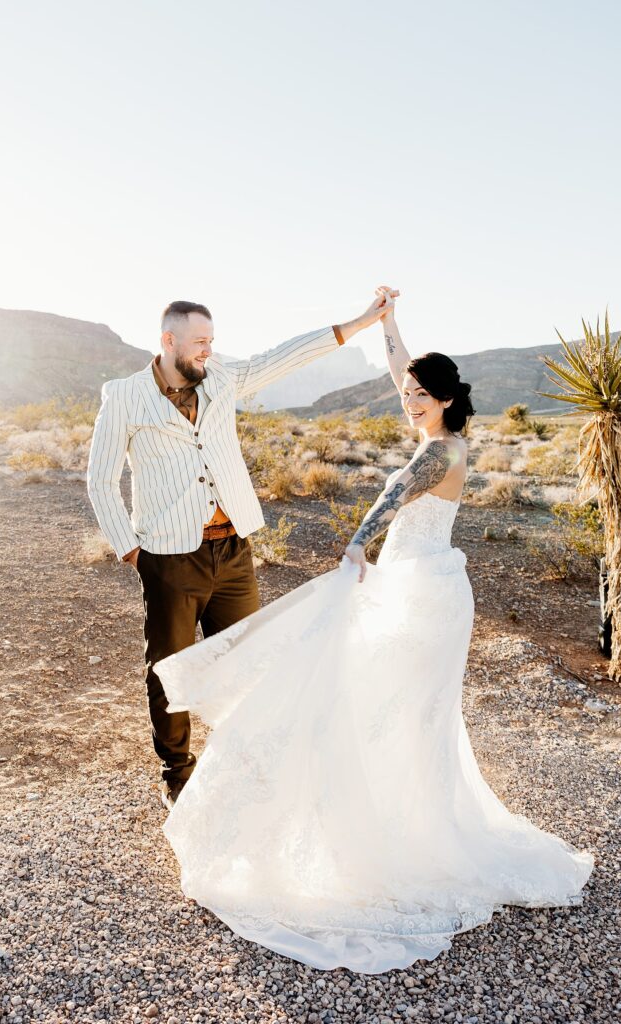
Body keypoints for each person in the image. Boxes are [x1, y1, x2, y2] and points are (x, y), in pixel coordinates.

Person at [152, 288, 595, 974]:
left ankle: (394, 834)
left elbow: (390, 498)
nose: (409, 399)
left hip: (419, 594)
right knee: (397, 711)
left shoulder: (438, 454)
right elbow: (398, 374)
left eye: (421, 393)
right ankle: (393, 815)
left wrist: (355, 546)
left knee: (389, 706)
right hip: (425, 582)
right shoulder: (439, 433)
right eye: (409, 391)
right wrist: (389, 324)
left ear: (445, 400)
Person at [86, 293, 395, 810]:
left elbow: (286, 355)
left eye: (212, 340)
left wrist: (361, 322)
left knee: (247, 663)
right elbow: (99, 481)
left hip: (233, 551)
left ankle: (243, 764)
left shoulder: (222, 375)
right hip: (169, 558)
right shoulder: (123, 396)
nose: (209, 350)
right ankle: (178, 774)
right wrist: (133, 553)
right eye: (200, 342)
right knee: (171, 669)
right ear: (169, 341)